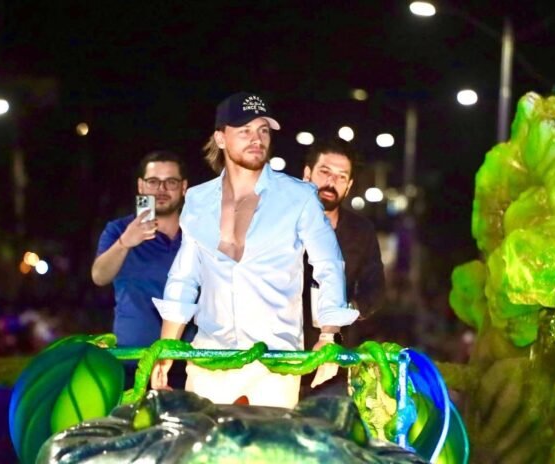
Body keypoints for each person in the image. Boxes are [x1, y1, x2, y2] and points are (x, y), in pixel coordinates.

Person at [150, 92, 359, 408]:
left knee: (270, 440)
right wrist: (166, 348)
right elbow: (184, 278)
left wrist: (330, 337)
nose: (256, 139)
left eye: (263, 130)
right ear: (221, 138)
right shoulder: (198, 199)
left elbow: (329, 266)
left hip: (275, 362)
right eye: (244, 130)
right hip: (210, 357)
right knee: (202, 439)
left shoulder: (299, 197)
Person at [91, 150, 194, 388]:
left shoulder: (198, 232)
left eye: (171, 182)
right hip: (132, 361)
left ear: (184, 187)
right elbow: (99, 276)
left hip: (188, 361)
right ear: (141, 186)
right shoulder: (119, 230)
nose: (161, 189)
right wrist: (125, 243)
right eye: (153, 181)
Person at [301, 138, 386, 396]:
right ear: (307, 174)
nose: (331, 182)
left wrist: (348, 310)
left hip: (336, 355)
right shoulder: (282, 224)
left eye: (341, 177)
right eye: (325, 172)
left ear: (349, 186)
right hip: (282, 351)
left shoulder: (361, 231)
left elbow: (375, 287)